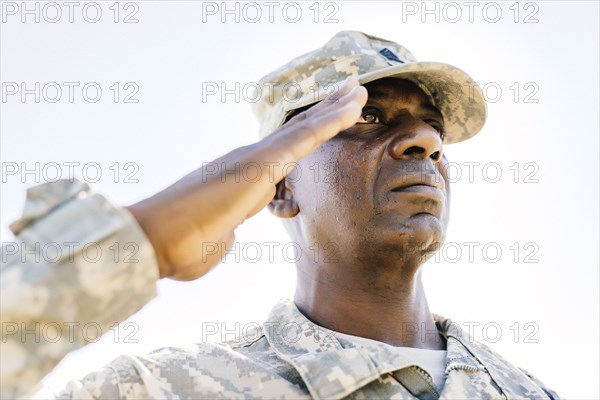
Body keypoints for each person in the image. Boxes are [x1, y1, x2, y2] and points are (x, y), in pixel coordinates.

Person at [0, 31, 559, 399]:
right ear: (279, 183)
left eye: (430, 126)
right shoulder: (159, 389)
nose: (422, 141)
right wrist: (143, 241)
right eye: (365, 119)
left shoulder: (534, 393)